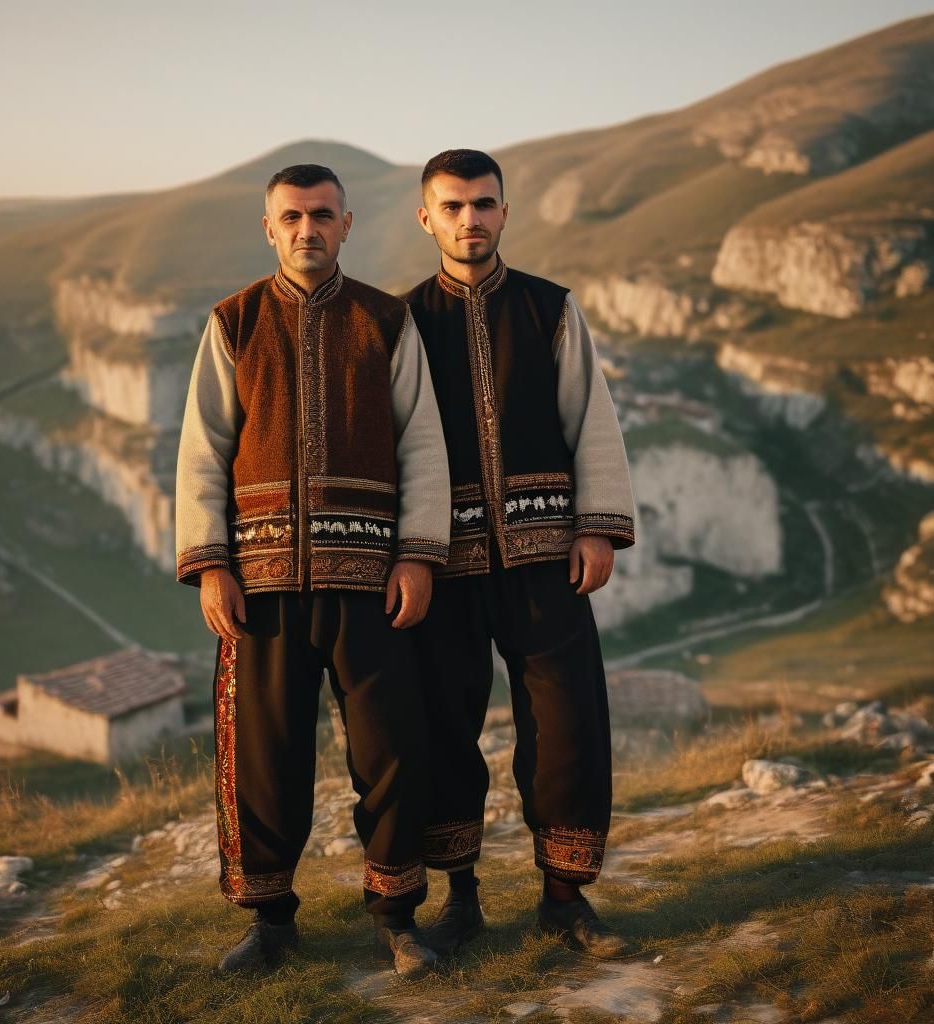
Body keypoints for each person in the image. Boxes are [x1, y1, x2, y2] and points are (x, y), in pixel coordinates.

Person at [175, 163, 450, 978]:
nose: (308, 230)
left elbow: (423, 445)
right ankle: (269, 924)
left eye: (322, 216)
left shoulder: (387, 320)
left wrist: (418, 555)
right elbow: (203, 453)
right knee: (266, 755)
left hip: (371, 584)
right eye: (292, 217)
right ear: (270, 228)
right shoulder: (233, 321)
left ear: (347, 223)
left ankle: (397, 919)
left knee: (391, 751)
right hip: (258, 591)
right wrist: (211, 565)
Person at [402, 149, 636, 957]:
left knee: (568, 723)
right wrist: (405, 552)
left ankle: (564, 899)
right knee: (442, 727)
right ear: (425, 216)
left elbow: (592, 419)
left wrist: (598, 525)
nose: (471, 219)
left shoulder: (550, 309)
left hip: (547, 561)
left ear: (506, 212)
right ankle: (460, 900)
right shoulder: (400, 323)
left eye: (485, 204)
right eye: (454, 206)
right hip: (442, 567)